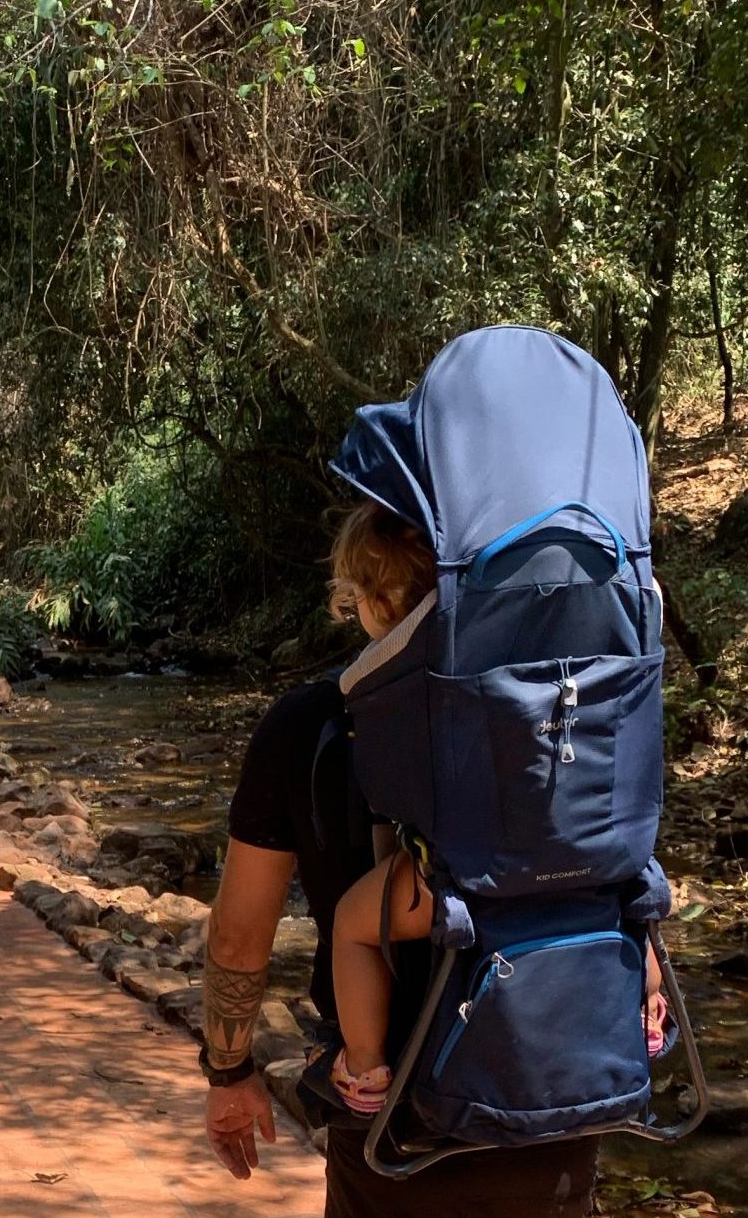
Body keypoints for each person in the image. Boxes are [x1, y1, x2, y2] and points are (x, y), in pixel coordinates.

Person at [199, 500, 603, 1218]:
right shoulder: (560, 709)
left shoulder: (309, 724)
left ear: (372, 598)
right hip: (555, 1097)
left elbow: (239, 935)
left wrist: (229, 1071)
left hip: (395, 1121)